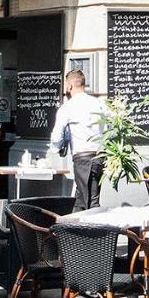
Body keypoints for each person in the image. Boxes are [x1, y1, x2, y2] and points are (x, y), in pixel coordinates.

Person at [49, 70, 107, 212]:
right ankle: (74, 232)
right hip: (100, 156)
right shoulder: (99, 103)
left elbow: (56, 137)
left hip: (83, 159)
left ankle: (96, 232)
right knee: (82, 200)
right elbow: (110, 128)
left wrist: (57, 148)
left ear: (69, 86)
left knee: (90, 202)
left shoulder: (68, 107)